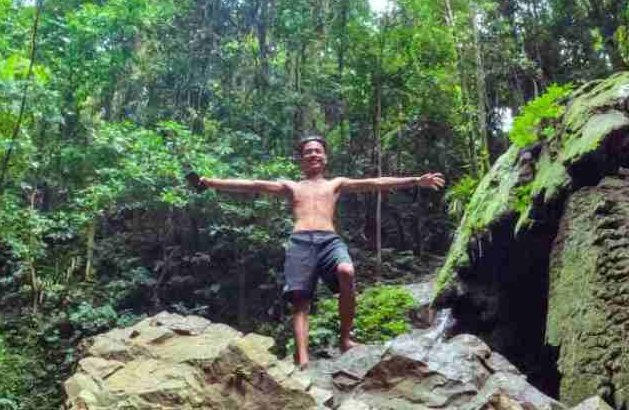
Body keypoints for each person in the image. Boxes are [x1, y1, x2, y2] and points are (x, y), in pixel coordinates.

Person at [188, 136, 443, 368]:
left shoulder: (335, 184)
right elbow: (254, 184)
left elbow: (374, 183)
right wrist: (209, 182)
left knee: (346, 270)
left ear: (325, 157)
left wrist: (415, 181)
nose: (313, 154)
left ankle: (345, 339)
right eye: (308, 151)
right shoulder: (292, 186)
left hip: (329, 240)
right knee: (300, 301)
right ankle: (303, 358)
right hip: (300, 241)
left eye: (318, 151)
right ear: (302, 160)